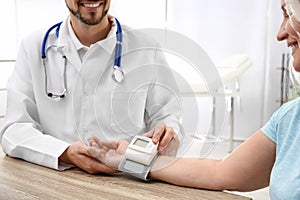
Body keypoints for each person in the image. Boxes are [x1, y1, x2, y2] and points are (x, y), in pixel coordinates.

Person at [87, 0, 300, 199]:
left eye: (289, 13)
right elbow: (219, 172)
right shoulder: (289, 118)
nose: (280, 33)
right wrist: (129, 158)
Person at [0, 0, 183, 174]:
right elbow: (14, 130)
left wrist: (166, 133)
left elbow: (168, 116)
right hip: (54, 179)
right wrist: (65, 153)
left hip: (127, 181)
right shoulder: (33, 47)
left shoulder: (146, 48)